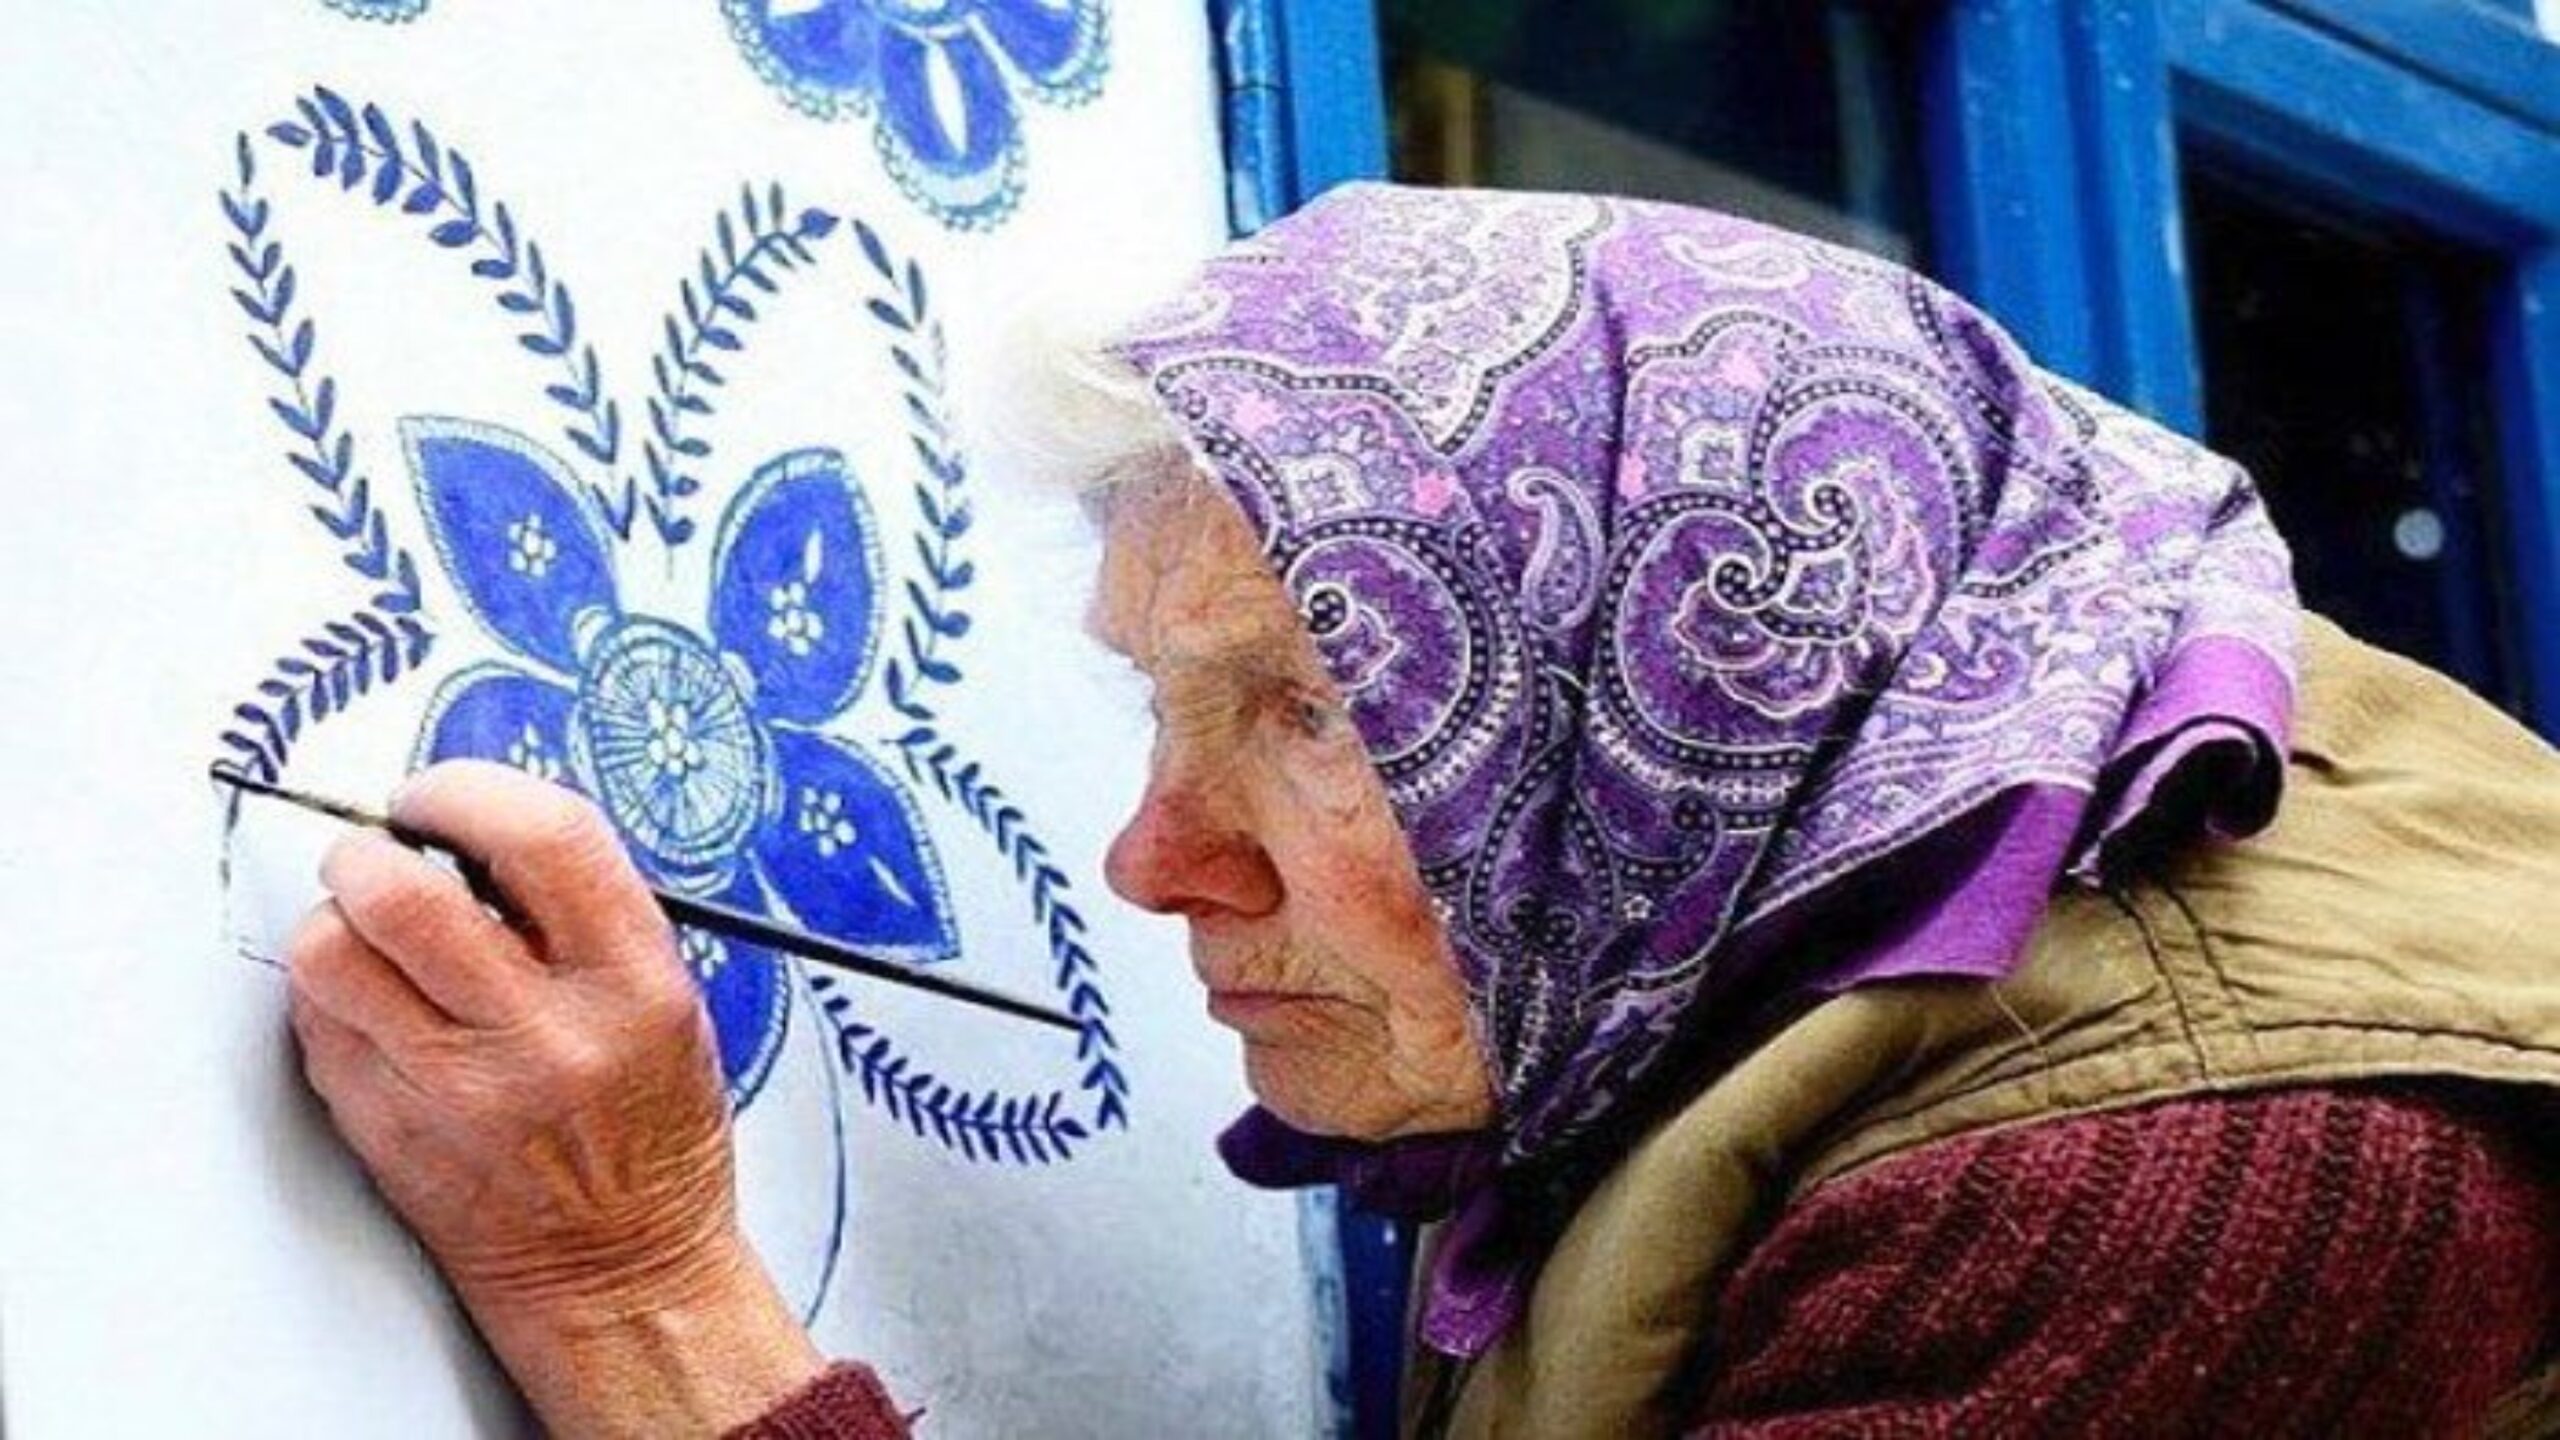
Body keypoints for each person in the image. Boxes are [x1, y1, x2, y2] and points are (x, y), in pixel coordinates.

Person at [286, 184, 2560, 1439]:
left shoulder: (2180, 1172)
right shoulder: (1767, 913)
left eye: (1298, 711)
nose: (1154, 863)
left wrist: (643, 1300)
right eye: (1162, 716)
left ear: (1690, 676)